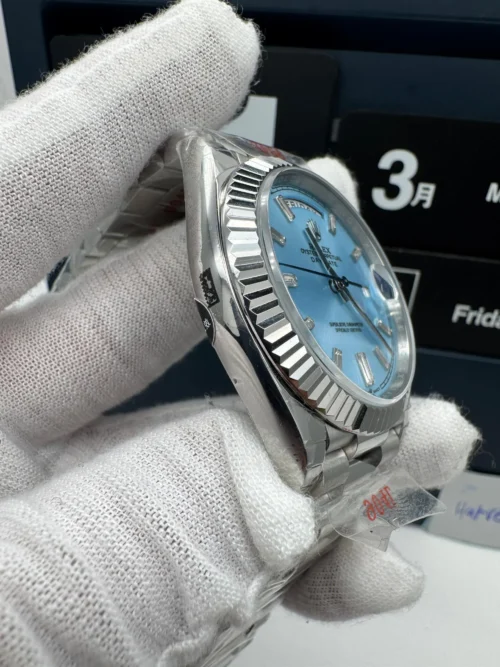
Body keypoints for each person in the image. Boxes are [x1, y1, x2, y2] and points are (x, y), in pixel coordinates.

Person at [0, 0, 479, 664]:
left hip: (357, 381)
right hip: (333, 375)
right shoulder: (235, 241)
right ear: (219, 295)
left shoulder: (278, 212)